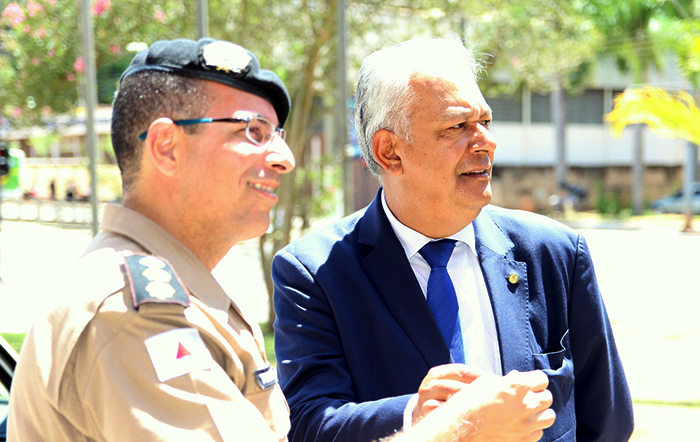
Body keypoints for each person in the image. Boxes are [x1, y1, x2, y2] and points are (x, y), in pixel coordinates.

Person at [272, 38, 634, 442]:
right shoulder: (314, 272)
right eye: (458, 127)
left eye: (486, 122)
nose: (486, 142)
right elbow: (309, 424)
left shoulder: (555, 253)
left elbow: (608, 424)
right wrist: (419, 415)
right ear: (390, 152)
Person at [8, 37, 295, 441]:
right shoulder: (131, 313)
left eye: (277, 134)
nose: (285, 158)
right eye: (254, 131)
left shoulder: (171, 291)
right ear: (166, 147)